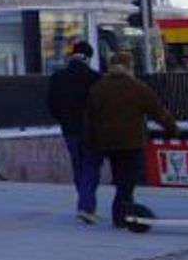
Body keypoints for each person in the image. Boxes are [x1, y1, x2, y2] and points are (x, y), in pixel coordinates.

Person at [83, 52, 179, 231]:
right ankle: (122, 216)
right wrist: (172, 129)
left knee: (120, 177)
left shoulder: (98, 88)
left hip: (107, 142)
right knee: (127, 181)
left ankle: (122, 214)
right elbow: (158, 111)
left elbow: (90, 117)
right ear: (129, 67)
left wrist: (90, 141)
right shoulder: (137, 87)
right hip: (131, 142)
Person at [46, 40, 103, 223]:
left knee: (78, 166)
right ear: (88, 58)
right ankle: (86, 206)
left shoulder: (57, 77)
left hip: (69, 129)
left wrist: (63, 119)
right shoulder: (95, 78)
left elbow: (52, 105)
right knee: (91, 166)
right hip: (92, 130)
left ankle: (84, 203)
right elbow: (101, 106)